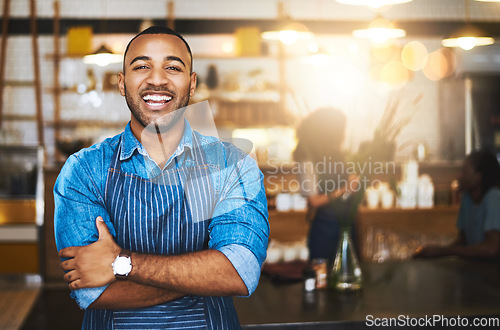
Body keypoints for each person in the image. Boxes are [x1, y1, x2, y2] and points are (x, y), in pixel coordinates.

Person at [54, 26, 269, 329]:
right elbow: (92, 292)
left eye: (173, 67)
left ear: (191, 84)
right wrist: (206, 273)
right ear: (121, 82)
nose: (157, 79)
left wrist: (121, 263)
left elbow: (239, 272)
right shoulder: (84, 170)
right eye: (142, 66)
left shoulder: (233, 165)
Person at [293, 107, 358, 262]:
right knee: (322, 278)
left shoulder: (335, 153)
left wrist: (353, 183)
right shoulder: (306, 157)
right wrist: (344, 189)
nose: (343, 135)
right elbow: (314, 200)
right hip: (326, 230)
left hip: (347, 226)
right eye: (340, 129)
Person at [414, 150, 500, 259]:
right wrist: (437, 253)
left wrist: (442, 251)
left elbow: (491, 249)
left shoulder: (494, 198)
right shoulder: (467, 198)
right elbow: (463, 241)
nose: (459, 176)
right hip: (476, 268)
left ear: (479, 177)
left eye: (464, 172)